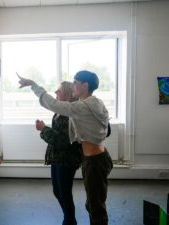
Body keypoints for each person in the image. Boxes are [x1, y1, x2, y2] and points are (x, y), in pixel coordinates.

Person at [18, 70, 113, 225]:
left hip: (94, 161)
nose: (73, 85)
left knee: (95, 208)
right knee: (94, 205)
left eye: (75, 83)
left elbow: (52, 103)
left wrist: (33, 85)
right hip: (98, 157)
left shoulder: (83, 107)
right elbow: (107, 130)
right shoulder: (97, 103)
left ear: (85, 85)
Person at [35, 81, 82, 225]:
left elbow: (62, 141)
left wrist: (43, 129)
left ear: (67, 94)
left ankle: (69, 221)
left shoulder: (69, 115)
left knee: (64, 193)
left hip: (67, 160)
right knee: (58, 191)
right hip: (58, 158)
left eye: (59, 90)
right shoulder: (61, 111)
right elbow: (59, 136)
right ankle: (69, 219)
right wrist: (45, 129)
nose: (55, 92)